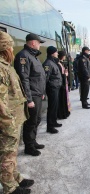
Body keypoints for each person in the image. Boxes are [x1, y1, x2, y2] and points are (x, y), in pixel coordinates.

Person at [0, 31, 34, 194]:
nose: (13, 51)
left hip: (13, 118)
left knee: (11, 153)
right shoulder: (0, 68)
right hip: (8, 121)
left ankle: (15, 178)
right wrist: (8, 123)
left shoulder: (5, 65)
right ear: (5, 48)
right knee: (7, 155)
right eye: (10, 47)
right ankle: (9, 188)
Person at [14, 33, 46, 156]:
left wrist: (42, 92)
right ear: (33, 43)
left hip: (37, 94)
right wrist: (28, 99)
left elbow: (38, 77)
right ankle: (29, 147)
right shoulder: (24, 56)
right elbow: (24, 79)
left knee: (37, 119)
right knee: (31, 121)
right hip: (32, 95)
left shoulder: (33, 56)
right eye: (38, 43)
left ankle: (33, 141)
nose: (39, 45)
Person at [42, 46, 62, 134]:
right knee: (51, 107)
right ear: (52, 53)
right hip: (52, 88)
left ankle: (53, 122)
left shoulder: (52, 62)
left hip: (56, 87)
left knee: (55, 106)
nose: (57, 53)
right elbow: (45, 78)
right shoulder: (48, 63)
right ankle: (50, 127)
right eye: (56, 52)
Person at [57, 51, 71, 120]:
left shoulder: (61, 63)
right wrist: (65, 74)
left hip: (64, 82)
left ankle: (65, 111)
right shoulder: (58, 63)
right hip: (61, 83)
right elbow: (59, 75)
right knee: (62, 99)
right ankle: (62, 113)